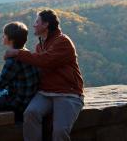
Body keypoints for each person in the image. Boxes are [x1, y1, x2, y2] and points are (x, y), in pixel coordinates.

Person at [5, 9, 84, 141]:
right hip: (45, 92)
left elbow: (45, 61)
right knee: (30, 113)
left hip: (67, 93)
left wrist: (17, 53)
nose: (34, 25)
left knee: (59, 131)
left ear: (46, 24)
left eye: (37, 22)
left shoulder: (63, 42)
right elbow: (38, 63)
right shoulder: (39, 46)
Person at [0, 22, 40, 122]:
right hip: (28, 98)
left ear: (11, 40)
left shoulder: (13, 61)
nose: (2, 36)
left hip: (18, 103)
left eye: (4, 35)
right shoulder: (26, 53)